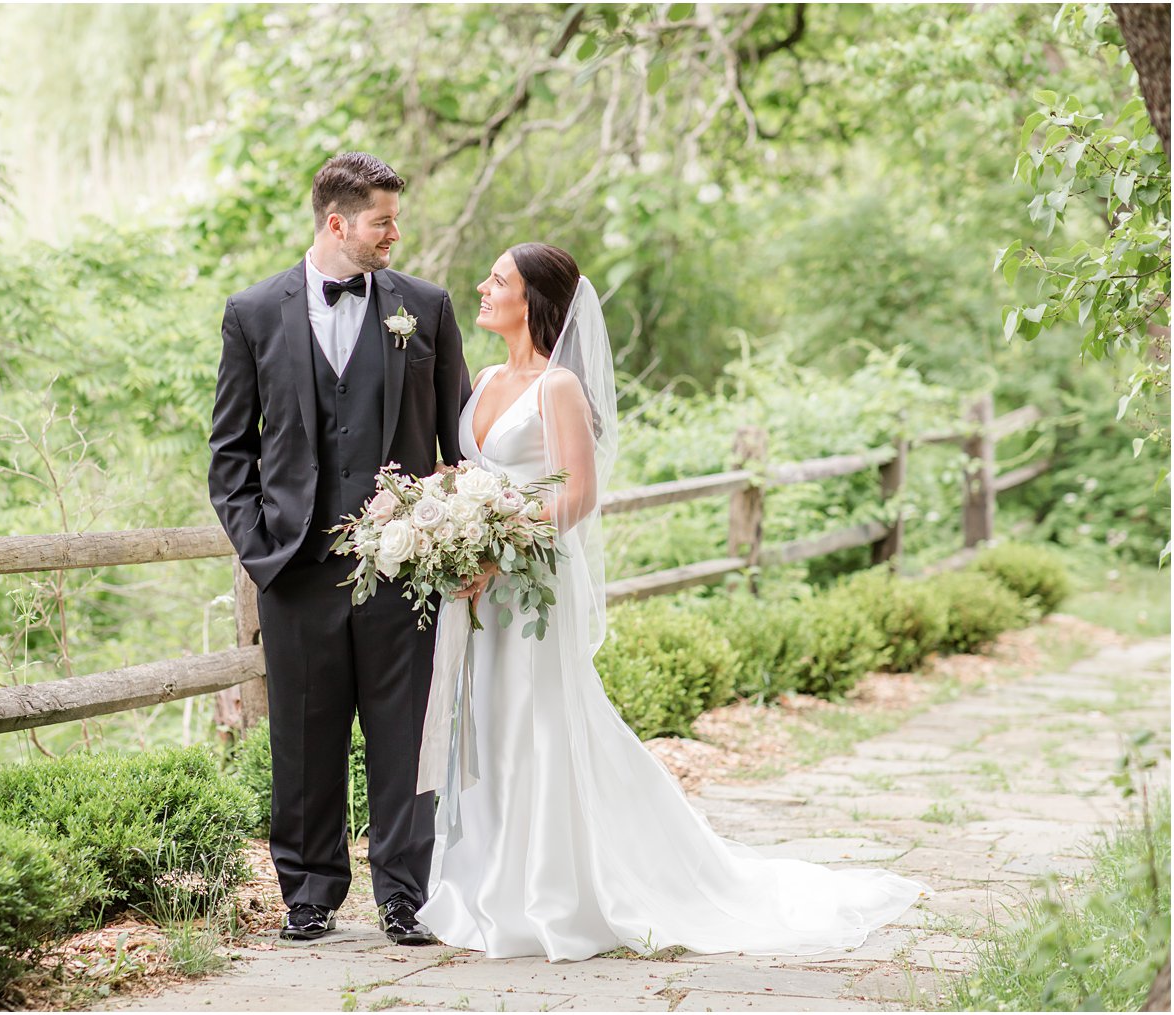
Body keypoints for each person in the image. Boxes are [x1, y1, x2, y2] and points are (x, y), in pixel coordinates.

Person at [415, 243, 928, 961]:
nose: (481, 286)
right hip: (480, 590)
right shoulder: (488, 376)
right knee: (490, 715)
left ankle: (550, 892)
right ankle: (487, 883)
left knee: (540, 714)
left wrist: (502, 545)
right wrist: (438, 516)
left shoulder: (558, 386)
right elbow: (472, 471)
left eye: (498, 279)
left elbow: (579, 493)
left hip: (531, 581)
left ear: (532, 300)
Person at [208, 152, 471, 944]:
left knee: (403, 736)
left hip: (404, 568)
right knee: (305, 737)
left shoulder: (425, 307)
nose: (396, 232)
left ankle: (403, 897)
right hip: (296, 568)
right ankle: (311, 893)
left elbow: (457, 438)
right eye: (383, 220)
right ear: (336, 222)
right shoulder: (253, 312)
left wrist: (445, 536)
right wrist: (263, 553)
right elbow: (230, 453)